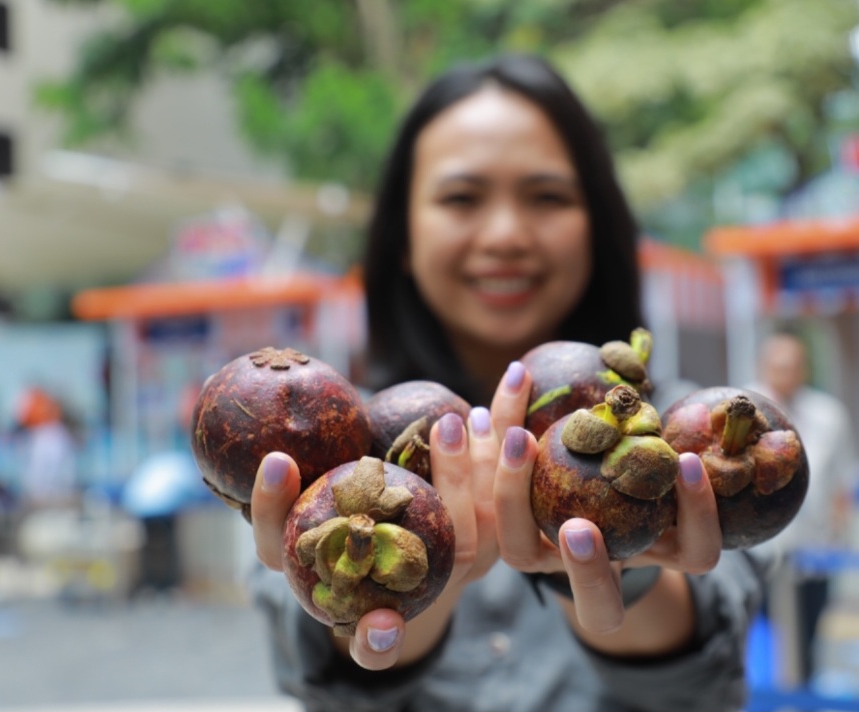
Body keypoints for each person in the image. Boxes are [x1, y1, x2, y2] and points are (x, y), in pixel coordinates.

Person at [246, 53, 772, 711]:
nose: (505, 235)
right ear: (402, 236)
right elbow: (330, 685)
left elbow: (704, 682)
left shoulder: (689, 437)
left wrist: (627, 566)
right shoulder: (324, 451)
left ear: (596, 227)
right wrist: (403, 586)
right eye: (461, 197)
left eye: (546, 196)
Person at [748, 329, 859, 685]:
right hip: (758, 554)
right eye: (778, 366)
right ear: (764, 367)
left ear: (805, 368)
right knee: (757, 643)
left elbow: (845, 480)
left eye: (793, 365)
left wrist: (837, 534)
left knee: (807, 641)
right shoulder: (742, 407)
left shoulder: (828, 414)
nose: (785, 373)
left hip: (813, 551)